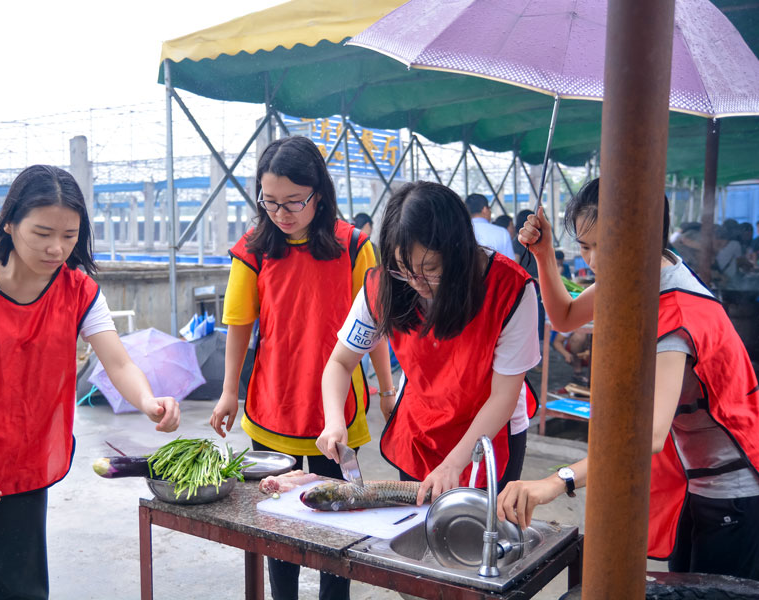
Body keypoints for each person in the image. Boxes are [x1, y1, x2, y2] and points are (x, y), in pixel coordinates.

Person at [0, 165, 181, 600]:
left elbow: (119, 362)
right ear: (9, 223)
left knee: (21, 585)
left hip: (24, 449)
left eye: (70, 236)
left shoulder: (79, 291)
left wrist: (148, 401)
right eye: (43, 233)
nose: (56, 248)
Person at [497, 178, 759, 581]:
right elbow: (566, 317)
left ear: (646, 232)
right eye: (586, 246)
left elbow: (649, 437)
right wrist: (544, 253)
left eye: (608, 243)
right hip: (695, 482)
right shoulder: (644, 268)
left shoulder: (675, 315)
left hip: (734, 496)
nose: (598, 261)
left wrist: (557, 480)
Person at [209, 136, 393, 600]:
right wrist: (230, 391)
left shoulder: (354, 247)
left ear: (319, 193)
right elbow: (239, 323)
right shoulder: (252, 249)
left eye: (294, 201)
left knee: (337, 522)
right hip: (274, 404)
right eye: (269, 202)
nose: (282, 212)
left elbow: (376, 325)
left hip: (338, 410)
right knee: (278, 526)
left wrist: (387, 390)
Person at [315, 181, 541, 506]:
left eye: (431, 270)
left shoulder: (511, 291)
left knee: (480, 535)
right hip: (421, 426)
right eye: (404, 269)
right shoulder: (385, 285)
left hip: (490, 430)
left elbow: (503, 398)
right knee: (419, 531)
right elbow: (340, 363)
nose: (416, 283)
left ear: (459, 254)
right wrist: (334, 422)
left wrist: (453, 464)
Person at [465, 193, 515, 259]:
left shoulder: (460, 231)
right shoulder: (502, 232)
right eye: (489, 209)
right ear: (485, 209)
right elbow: (510, 264)